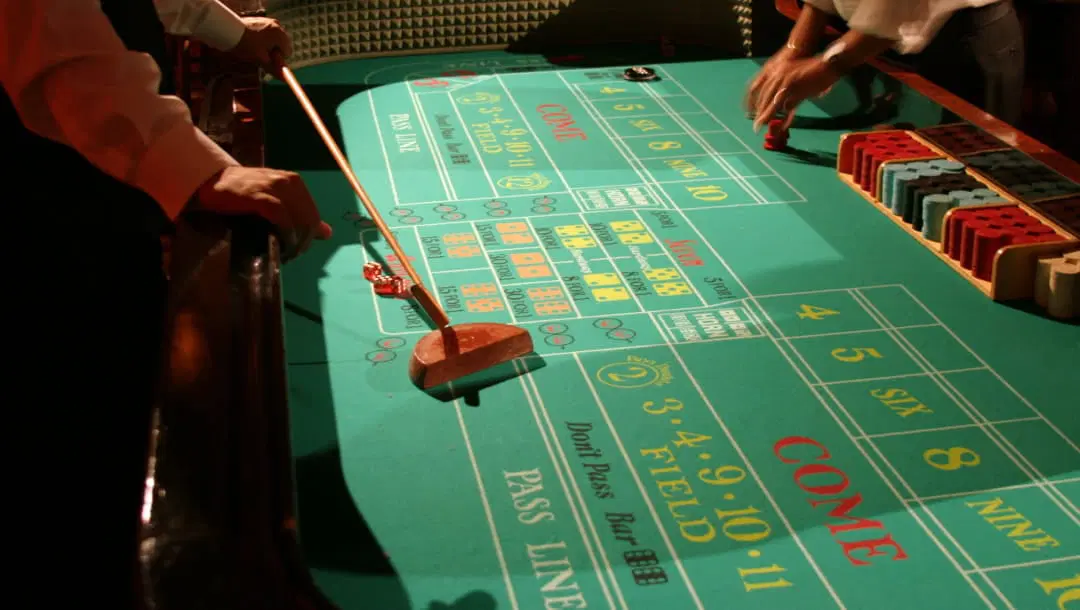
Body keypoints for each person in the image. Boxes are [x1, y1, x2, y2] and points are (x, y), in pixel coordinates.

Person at [0, 1, 328, 606]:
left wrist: (227, 29)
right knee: (78, 410)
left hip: (98, 199)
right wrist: (198, 169)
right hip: (41, 206)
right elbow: (58, 41)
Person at [746, 0, 1025, 132]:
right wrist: (795, 48)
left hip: (960, 42)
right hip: (866, 41)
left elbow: (894, 8)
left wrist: (827, 65)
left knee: (965, 185)